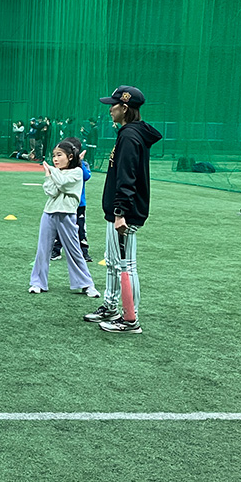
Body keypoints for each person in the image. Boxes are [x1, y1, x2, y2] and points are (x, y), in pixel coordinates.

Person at [83, 86, 162, 334]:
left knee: (127, 266)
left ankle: (130, 319)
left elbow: (127, 177)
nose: (110, 109)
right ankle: (111, 306)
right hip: (119, 210)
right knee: (113, 263)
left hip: (125, 213)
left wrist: (120, 212)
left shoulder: (130, 136)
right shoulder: (129, 133)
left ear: (125, 108)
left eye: (113, 105)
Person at [30, 140, 99, 298]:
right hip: (49, 213)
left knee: (74, 250)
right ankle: (37, 283)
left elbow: (62, 184)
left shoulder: (77, 172)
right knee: (42, 250)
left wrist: (50, 171)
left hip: (67, 214)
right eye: (54, 156)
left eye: (59, 155)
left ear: (70, 157)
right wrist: (49, 175)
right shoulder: (56, 172)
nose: (55, 159)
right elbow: (51, 191)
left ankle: (87, 284)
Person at [51, 137, 93, 263]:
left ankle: (83, 251)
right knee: (59, 227)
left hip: (79, 204)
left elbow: (86, 176)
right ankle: (56, 250)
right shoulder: (61, 166)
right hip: (62, 204)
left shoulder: (82, 166)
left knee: (80, 228)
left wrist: (79, 161)